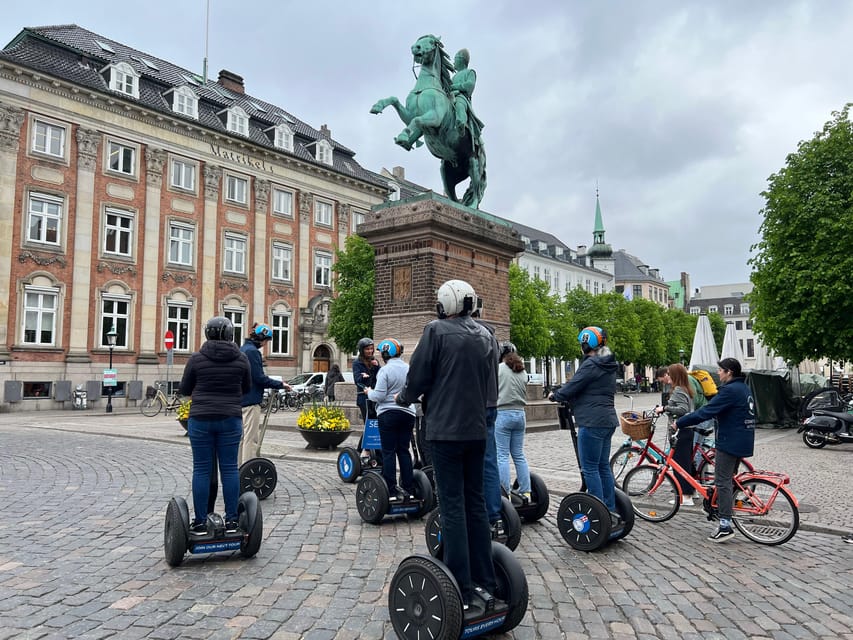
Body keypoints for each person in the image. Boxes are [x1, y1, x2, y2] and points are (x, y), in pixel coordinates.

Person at [396, 279, 498, 611]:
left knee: (452, 507)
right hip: (477, 430)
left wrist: (404, 396)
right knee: (476, 504)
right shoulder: (486, 335)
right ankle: (486, 580)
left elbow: (419, 376)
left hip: (444, 432)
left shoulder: (436, 331)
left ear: (443, 305)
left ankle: (462, 587)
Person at [179, 316, 251, 535]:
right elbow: (246, 388)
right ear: (230, 335)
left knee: (201, 469)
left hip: (201, 418)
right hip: (230, 418)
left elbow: (184, 388)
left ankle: (200, 521)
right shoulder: (241, 359)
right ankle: (231, 520)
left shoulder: (196, 359)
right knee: (229, 469)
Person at [676, 357, 755, 542]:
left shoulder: (730, 390)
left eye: (720, 370)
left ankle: (725, 525)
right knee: (728, 481)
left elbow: (706, 412)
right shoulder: (743, 388)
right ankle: (723, 509)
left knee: (723, 482)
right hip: (743, 438)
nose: (718, 373)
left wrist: (681, 422)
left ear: (729, 372)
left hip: (729, 441)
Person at [549, 326, 620, 524]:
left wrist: (555, 394)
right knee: (603, 466)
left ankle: (598, 511)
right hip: (607, 420)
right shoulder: (609, 364)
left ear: (585, 343)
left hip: (591, 420)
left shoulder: (591, 365)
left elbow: (573, 386)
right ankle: (610, 508)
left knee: (589, 467)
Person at [366, 339, 416, 500]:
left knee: (389, 452)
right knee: (403, 450)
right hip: (408, 413)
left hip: (388, 414)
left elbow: (379, 396)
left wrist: (368, 392)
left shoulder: (385, 371)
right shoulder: (409, 368)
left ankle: (391, 490)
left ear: (386, 354)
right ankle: (409, 488)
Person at [239, 323, 290, 466]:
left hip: (241, 399)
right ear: (261, 338)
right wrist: (281, 384)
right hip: (250, 401)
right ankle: (247, 468)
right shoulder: (253, 352)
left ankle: (239, 468)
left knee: (242, 438)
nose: (265, 344)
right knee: (251, 438)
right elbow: (259, 378)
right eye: (266, 340)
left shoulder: (242, 349)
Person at [654, 363, 697, 506]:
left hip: (681, 431)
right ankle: (690, 490)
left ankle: (686, 496)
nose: (668, 376)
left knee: (680, 464)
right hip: (688, 430)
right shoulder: (687, 389)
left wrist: (665, 408)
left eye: (670, 373)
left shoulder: (678, 390)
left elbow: (683, 409)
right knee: (686, 463)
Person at [495, 344, 531, 501]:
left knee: (502, 455)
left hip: (503, 413)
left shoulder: (499, 369)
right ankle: (526, 491)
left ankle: (505, 492)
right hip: (520, 414)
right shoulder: (522, 369)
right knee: (518, 454)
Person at [450, 48, 485, 139]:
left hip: (462, 97)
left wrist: (455, 87)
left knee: (459, 104)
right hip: (450, 96)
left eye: (455, 59)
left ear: (461, 59)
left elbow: (470, 85)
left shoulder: (470, 72)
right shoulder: (453, 77)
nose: (453, 62)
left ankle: (461, 122)